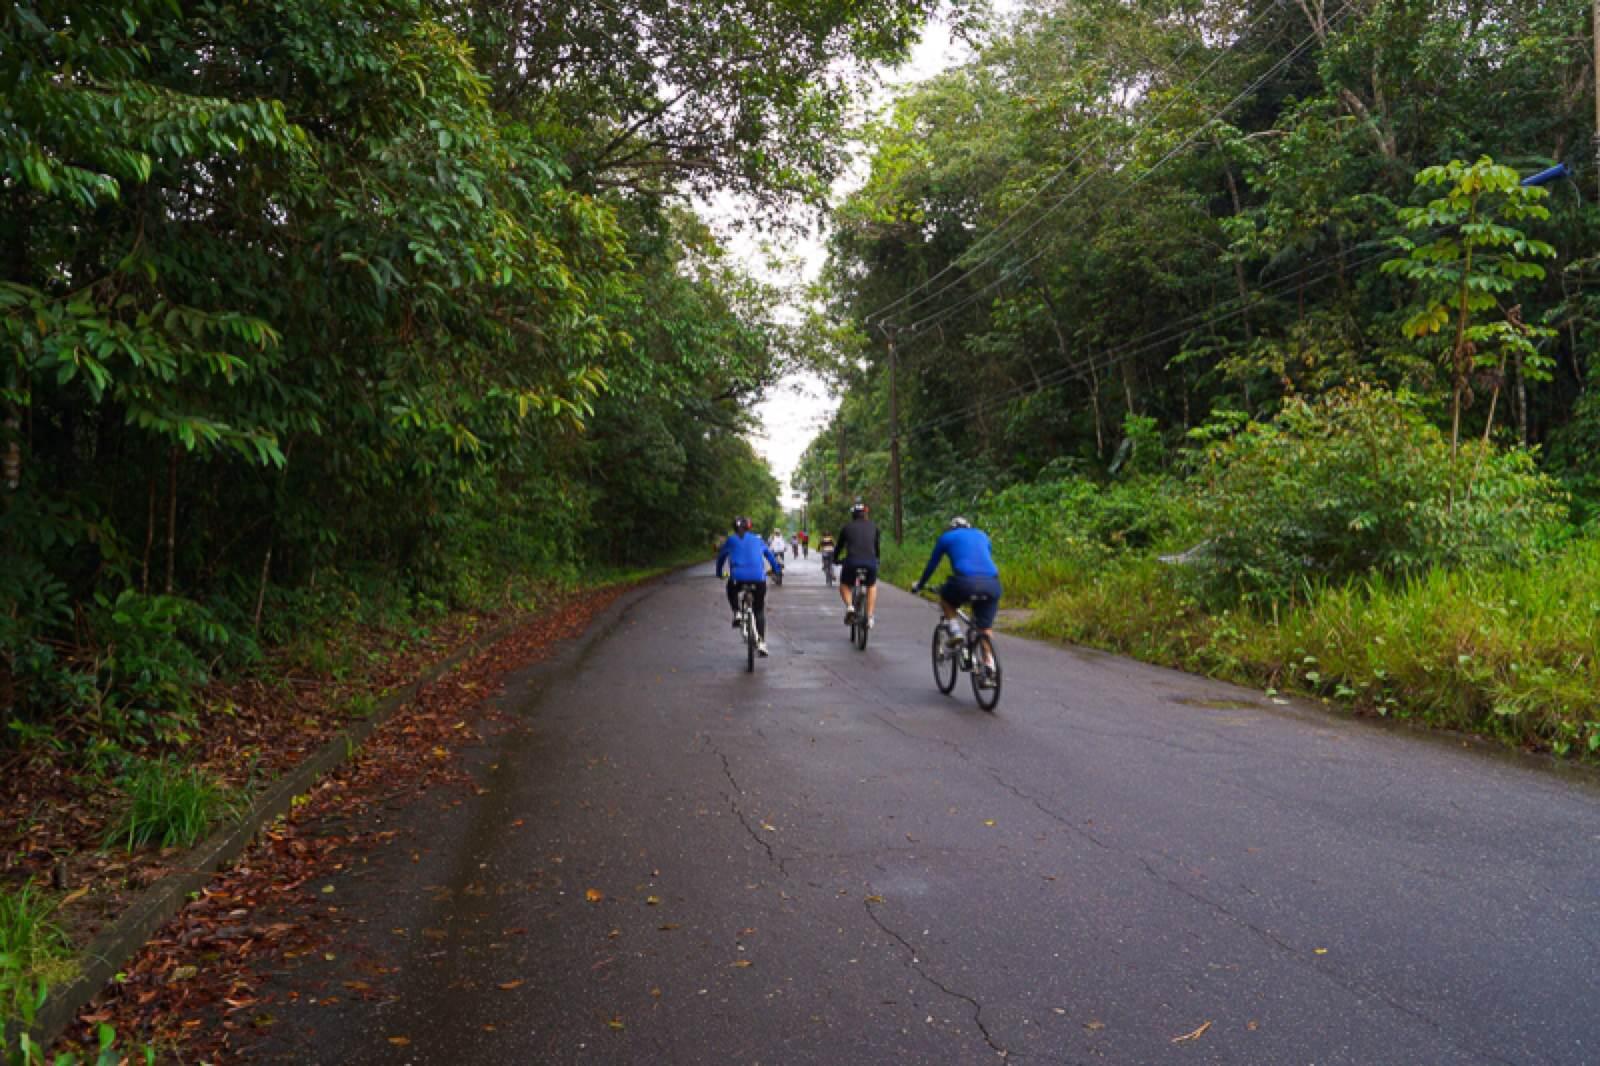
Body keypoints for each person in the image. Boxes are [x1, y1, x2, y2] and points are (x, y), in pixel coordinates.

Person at [911, 516, 1001, 671]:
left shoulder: (946, 538)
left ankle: (955, 631)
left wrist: (920, 585)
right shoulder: (982, 535)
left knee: (945, 599)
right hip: (992, 584)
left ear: (952, 528)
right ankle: (990, 663)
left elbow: (932, 565)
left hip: (965, 583)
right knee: (984, 627)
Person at [718, 517, 782, 656]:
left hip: (737, 579)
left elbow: (721, 558)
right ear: (749, 528)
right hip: (758, 579)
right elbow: (770, 556)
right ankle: (762, 643)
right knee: (759, 610)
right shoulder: (758, 540)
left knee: (731, 589)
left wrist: (719, 573)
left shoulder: (731, 540)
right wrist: (776, 571)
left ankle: (737, 612)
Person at [834, 502, 881, 628]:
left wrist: (835, 559)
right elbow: (876, 547)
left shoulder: (846, 527)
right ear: (866, 514)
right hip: (871, 562)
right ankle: (870, 616)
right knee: (871, 585)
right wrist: (877, 560)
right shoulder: (874, 526)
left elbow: (838, 547)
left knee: (844, 584)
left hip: (852, 562)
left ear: (853, 515)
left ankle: (850, 607)